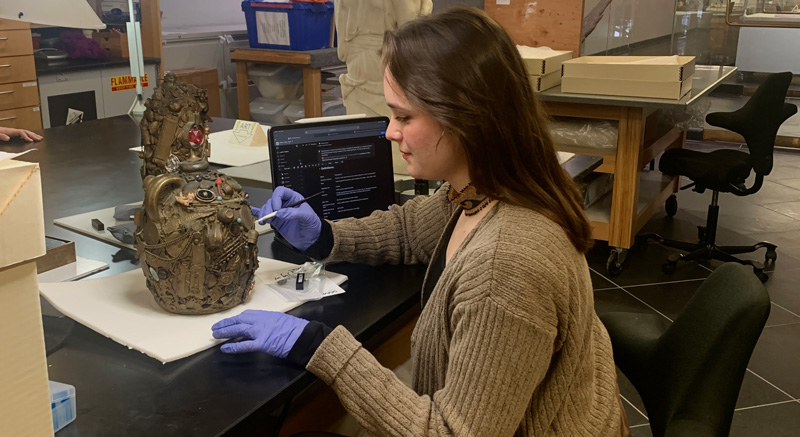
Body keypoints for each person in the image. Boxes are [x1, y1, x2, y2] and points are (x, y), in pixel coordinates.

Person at [212, 7, 629, 436]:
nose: (390, 132)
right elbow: (407, 230)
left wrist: (318, 346)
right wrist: (324, 235)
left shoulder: (505, 265)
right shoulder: (485, 190)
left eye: (404, 116)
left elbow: (448, 432)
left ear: (465, 116)